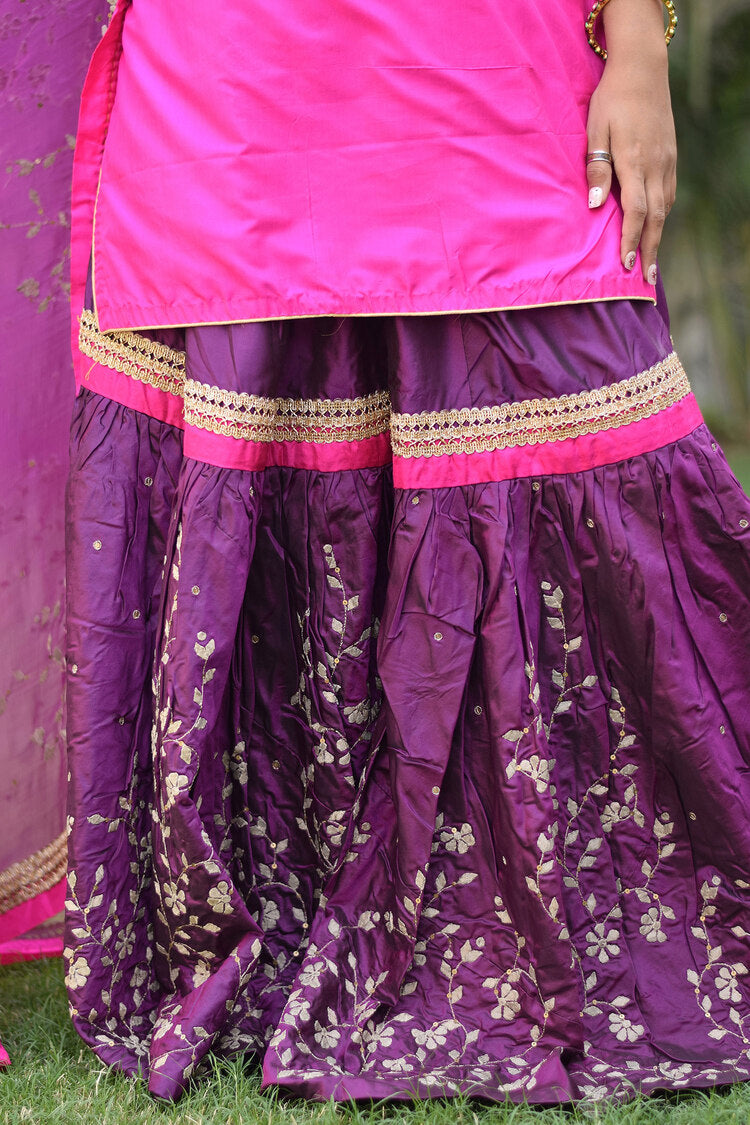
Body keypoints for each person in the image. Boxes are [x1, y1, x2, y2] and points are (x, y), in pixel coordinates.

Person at [65, 0, 750, 1104]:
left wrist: (635, 48)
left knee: (586, 451)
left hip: (487, 70)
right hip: (230, 84)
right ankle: (286, 924)